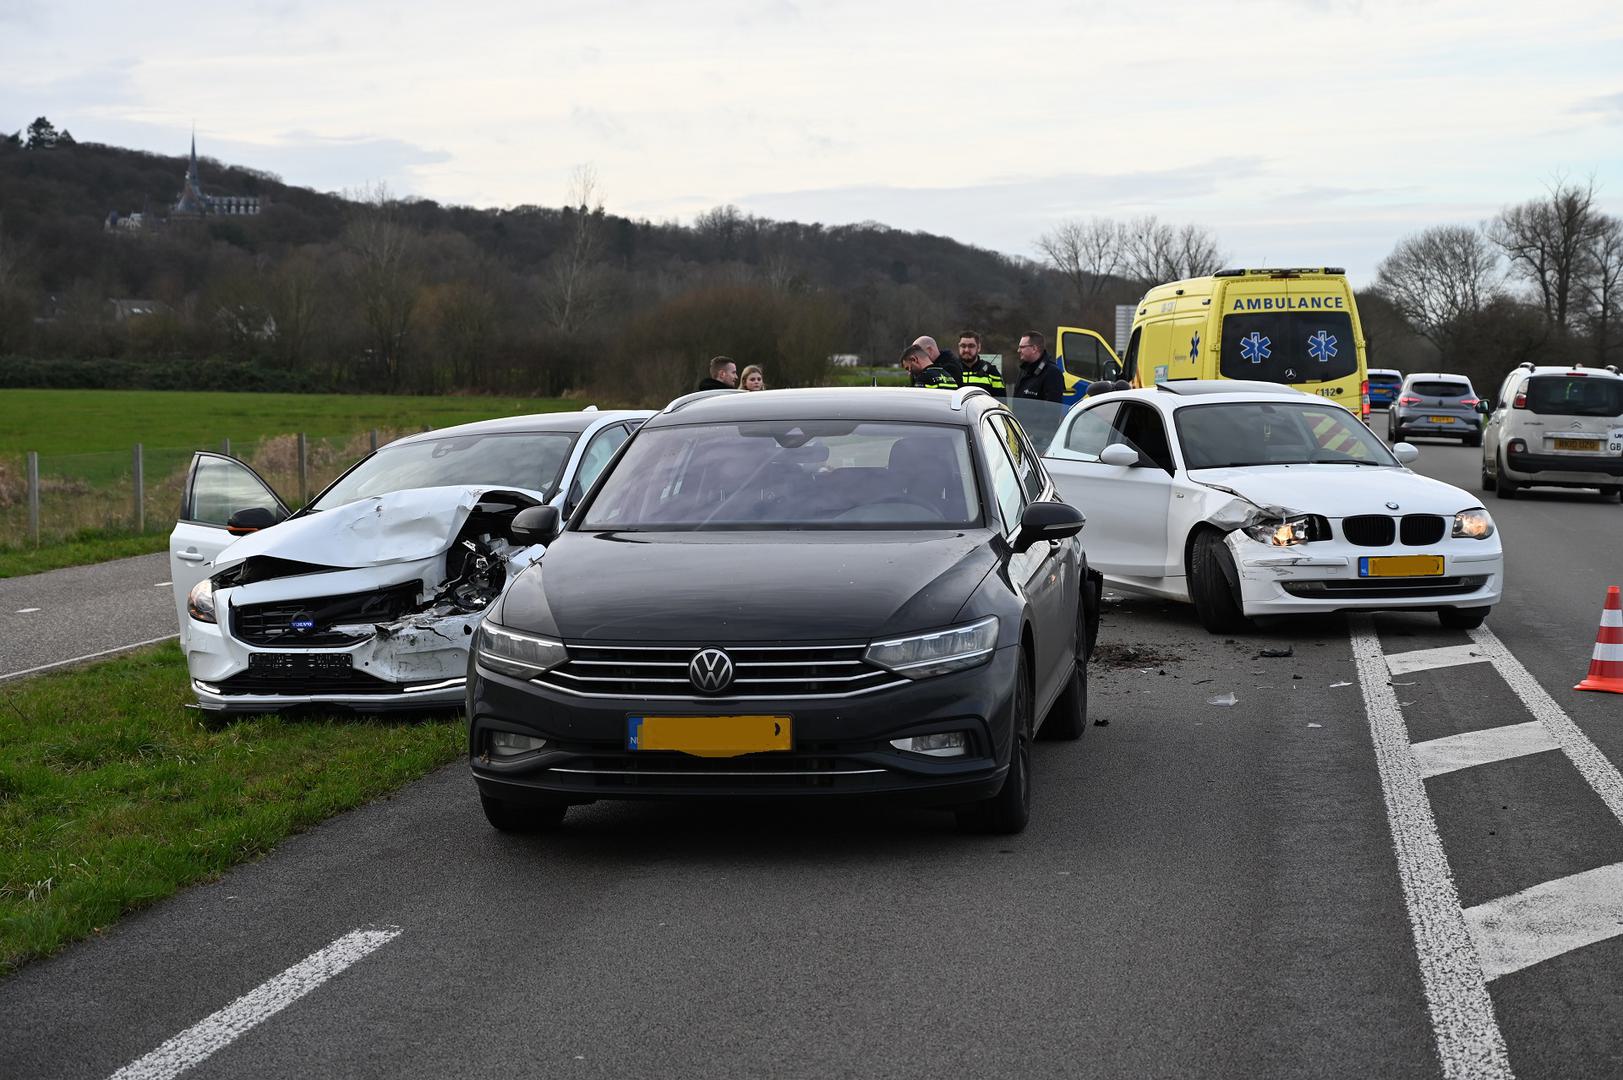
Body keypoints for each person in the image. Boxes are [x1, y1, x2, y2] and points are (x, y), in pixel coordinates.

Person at [1011, 331, 1063, 403]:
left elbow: (1053, 410)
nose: (1018, 350)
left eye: (1022, 347)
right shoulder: (1024, 369)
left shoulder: (1052, 373)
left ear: (1034, 348)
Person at [955, 330, 1004, 397]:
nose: (966, 350)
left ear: (979, 347)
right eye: (963, 346)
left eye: (971, 346)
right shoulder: (950, 371)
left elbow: (1000, 403)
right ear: (959, 347)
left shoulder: (991, 372)